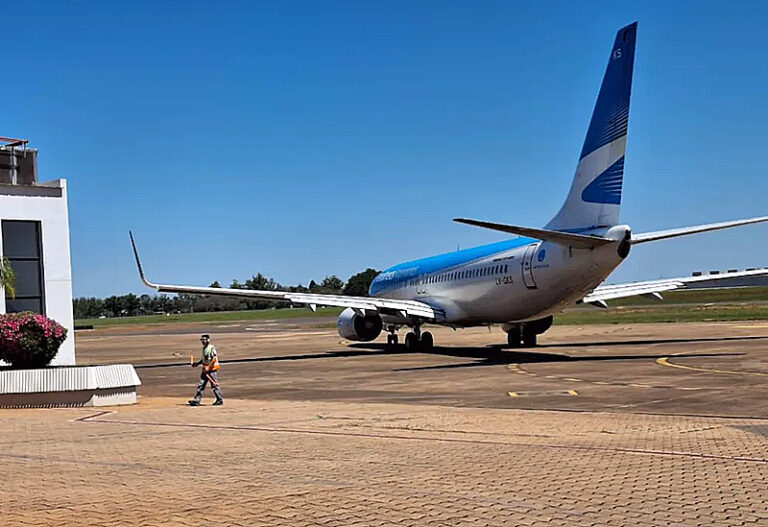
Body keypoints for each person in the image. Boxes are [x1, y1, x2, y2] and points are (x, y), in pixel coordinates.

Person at [188, 334, 223, 406]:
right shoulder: (204, 349)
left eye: (204, 340)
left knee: (214, 385)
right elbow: (204, 359)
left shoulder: (211, 348)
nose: (203, 341)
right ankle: (197, 400)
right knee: (201, 385)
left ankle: (219, 399)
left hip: (212, 370)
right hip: (205, 370)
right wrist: (197, 364)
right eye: (202, 340)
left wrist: (208, 367)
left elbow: (214, 358)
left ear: (208, 340)